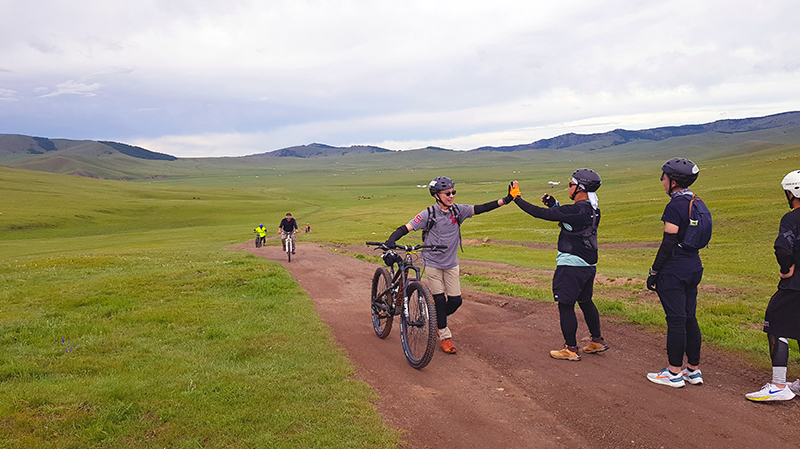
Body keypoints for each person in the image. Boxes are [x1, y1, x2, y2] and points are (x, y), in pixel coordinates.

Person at [383, 176, 514, 354]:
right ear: (437, 195)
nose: (451, 196)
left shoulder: (458, 211)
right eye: (447, 193)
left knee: (455, 301)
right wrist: (391, 240)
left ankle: (437, 319)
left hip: (451, 263)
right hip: (433, 262)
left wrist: (506, 200)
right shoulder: (428, 214)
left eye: (453, 192)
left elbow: (481, 208)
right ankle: (445, 335)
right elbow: (406, 228)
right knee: (438, 299)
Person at [508, 169, 609, 361]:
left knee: (565, 304)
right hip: (588, 265)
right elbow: (572, 219)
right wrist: (555, 205)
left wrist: (517, 198)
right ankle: (597, 340)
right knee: (586, 301)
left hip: (571, 264)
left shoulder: (575, 210)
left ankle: (570, 349)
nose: (568, 187)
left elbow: (539, 214)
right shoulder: (593, 208)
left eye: (571, 184)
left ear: (580, 188)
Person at [646, 158, 707, 388]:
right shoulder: (696, 201)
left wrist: (654, 271)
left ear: (673, 181)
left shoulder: (674, 205)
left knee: (676, 320)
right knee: (689, 317)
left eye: (663, 177)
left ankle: (673, 372)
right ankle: (693, 370)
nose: (661, 181)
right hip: (694, 266)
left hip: (674, 270)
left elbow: (669, 241)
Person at [745, 170, 800, 401]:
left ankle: (778, 385)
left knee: (775, 324)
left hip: (795, 285)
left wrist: (786, 269)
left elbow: (783, 249)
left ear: (792, 192)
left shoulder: (791, 218)